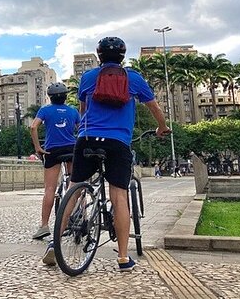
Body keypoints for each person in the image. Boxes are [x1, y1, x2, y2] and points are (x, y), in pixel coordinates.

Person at [70, 37, 170, 271]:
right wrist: (162, 128)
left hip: (86, 139)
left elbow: (83, 109)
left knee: (74, 189)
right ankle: (123, 258)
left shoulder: (87, 77)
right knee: (119, 196)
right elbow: (154, 108)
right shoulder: (133, 78)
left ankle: (54, 246)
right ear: (123, 56)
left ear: (99, 56)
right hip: (117, 142)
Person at [29, 82, 80, 246]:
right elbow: (81, 129)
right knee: (76, 184)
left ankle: (44, 226)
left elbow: (33, 127)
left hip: (52, 151)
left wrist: (38, 147)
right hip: (71, 149)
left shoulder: (45, 110)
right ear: (65, 96)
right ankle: (81, 216)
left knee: (50, 189)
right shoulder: (73, 111)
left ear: (50, 97)